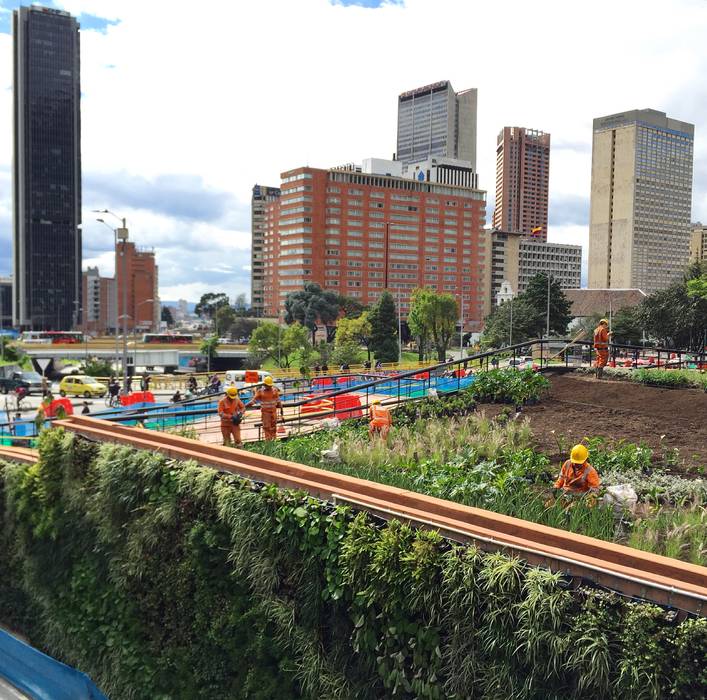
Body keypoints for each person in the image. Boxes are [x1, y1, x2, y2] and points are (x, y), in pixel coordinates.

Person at [246, 375, 283, 441]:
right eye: (268, 385)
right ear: (264, 384)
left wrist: (282, 414)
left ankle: (273, 441)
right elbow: (253, 401)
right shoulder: (260, 392)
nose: (269, 386)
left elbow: (279, 402)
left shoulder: (275, 391)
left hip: (273, 413)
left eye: (270, 385)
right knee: (267, 428)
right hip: (265, 413)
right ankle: (268, 443)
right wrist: (245, 406)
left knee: (273, 428)